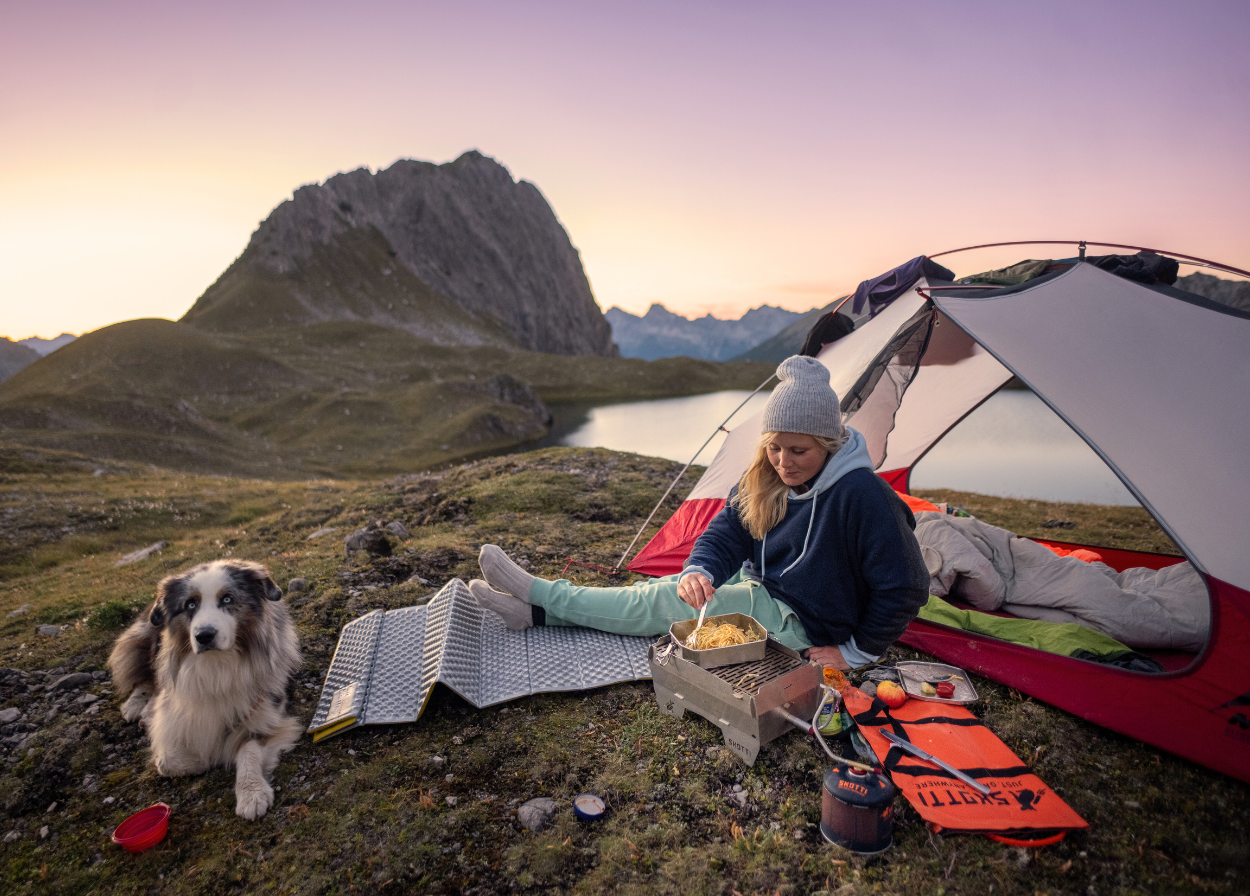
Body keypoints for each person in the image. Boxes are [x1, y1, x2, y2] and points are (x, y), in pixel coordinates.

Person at [470, 355, 929, 670]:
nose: (783, 462)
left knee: (658, 604)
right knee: (666, 589)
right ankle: (534, 616)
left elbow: (907, 585)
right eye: (774, 447)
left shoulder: (861, 494)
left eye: (798, 451)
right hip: (763, 587)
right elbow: (726, 533)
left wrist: (855, 653)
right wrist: (700, 568)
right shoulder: (766, 476)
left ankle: (541, 592)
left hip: (802, 621)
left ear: (828, 444)